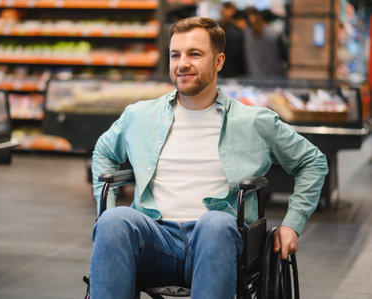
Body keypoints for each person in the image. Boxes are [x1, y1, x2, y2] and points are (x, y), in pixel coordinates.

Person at [89, 16, 327, 298]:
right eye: (175, 55)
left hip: (217, 241)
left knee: (216, 222)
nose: (182, 63)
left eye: (194, 54)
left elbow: (312, 161)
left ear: (219, 61)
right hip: (154, 239)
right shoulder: (140, 115)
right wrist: (108, 207)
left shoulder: (254, 121)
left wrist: (292, 224)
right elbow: (103, 151)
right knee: (112, 222)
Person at [243, 9, 288, 77]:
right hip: (273, 74)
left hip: (253, 73)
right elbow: (284, 55)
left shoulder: (247, 33)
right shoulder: (274, 33)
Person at [218, 2, 246, 78]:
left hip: (233, 68)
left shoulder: (236, 28)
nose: (227, 13)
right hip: (223, 66)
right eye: (225, 10)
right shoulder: (218, 26)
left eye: (229, 10)